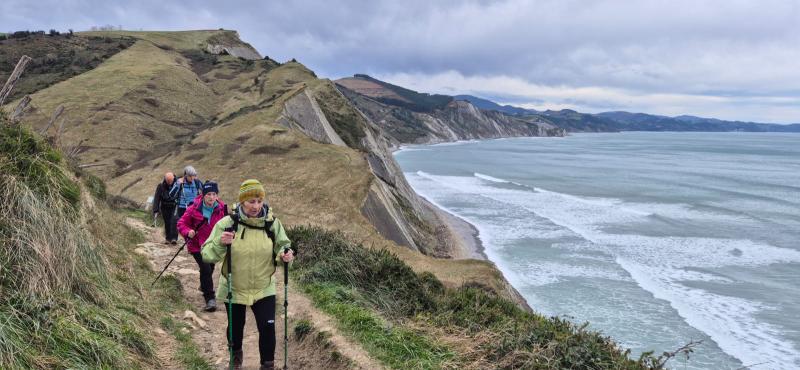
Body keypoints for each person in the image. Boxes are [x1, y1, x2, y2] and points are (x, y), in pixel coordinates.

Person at [202, 179, 295, 370]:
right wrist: (221, 242)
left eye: (259, 201)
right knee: (235, 330)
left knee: (268, 328)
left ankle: (267, 366)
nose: (256, 206)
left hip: (264, 287)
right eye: (251, 201)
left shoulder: (272, 224)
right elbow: (207, 254)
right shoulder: (228, 224)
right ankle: (235, 359)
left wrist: (286, 255)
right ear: (242, 202)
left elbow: (283, 246)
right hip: (234, 286)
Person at [177, 181, 227, 312]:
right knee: (205, 269)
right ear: (203, 195)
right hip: (197, 245)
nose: (211, 197)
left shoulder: (222, 208)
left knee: (209, 268)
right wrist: (188, 232)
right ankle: (210, 298)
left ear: (217, 195)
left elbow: (229, 224)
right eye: (209, 194)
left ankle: (204, 285)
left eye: (214, 194)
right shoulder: (194, 208)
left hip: (213, 246)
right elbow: (181, 223)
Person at [169, 165, 203, 244]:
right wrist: (177, 185)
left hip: (193, 207)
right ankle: (174, 238)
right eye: (190, 176)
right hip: (182, 207)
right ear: (186, 175)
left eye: (193, 176)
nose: (192, 178)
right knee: (179, 223)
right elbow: (171, 195)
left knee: (193, 225)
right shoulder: (179, 182)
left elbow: (204, 191)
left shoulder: (197, 182)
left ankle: (190, 242)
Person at [152, 172, 178, 244]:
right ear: (165, 179)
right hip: (164, 207)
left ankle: (174, 238)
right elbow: (157, 198)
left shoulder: (178, 185)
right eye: (168, 181)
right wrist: (156, 209)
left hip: (174, 206)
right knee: (167, 222)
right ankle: (168, 238)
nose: (169, 183)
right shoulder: (160, 186)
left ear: (173, 179)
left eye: (171, 181)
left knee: (174, 221)